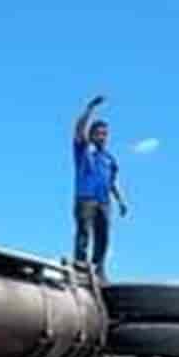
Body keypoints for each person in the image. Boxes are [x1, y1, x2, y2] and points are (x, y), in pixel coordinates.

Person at [71, 93, 128, 276]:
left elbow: (112, 182)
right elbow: (79, 129)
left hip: (104, 202)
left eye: (105, 134)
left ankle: (98, 268)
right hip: (86, 199)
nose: (102, 137)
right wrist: (90, 109)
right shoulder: (83, 149)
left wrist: (121, 201)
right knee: (84, 232)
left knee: (103, 236)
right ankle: (80, 264)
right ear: (92, 135)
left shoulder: (109, 159)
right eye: (99, 133)